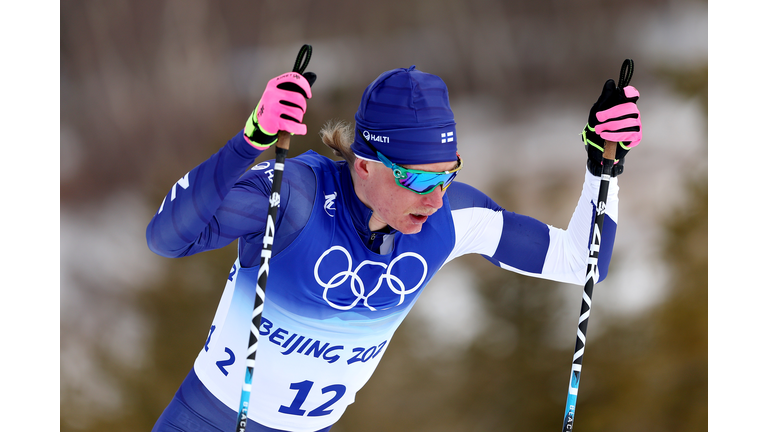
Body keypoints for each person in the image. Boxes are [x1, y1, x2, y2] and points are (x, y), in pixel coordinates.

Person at [146, 64, 642, 432]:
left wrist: (602, 166)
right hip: (207, 420)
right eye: (417, 179)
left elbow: (583, 262)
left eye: (448, 175)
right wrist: (250, 141)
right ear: (364, 164)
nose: (436, 198)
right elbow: (166, 239)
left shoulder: (450, 219)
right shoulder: (294, 196)